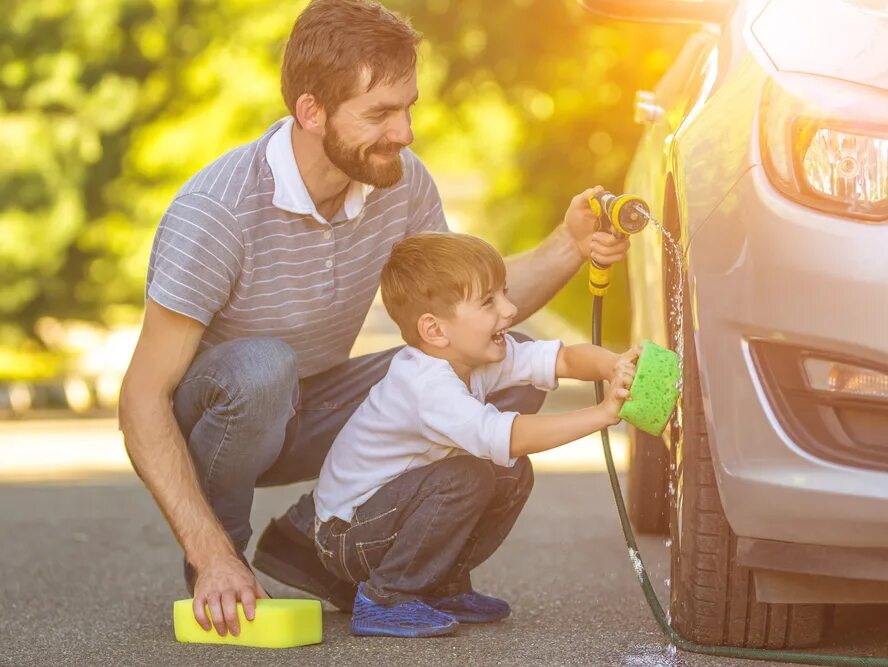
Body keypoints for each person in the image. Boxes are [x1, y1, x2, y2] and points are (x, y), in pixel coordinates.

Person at [118, 0, 629, 638]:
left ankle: (336, 548)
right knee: (261, 368)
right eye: (380, 113)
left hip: (320, 404)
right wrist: (209, 551)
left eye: (407, 106)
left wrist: (570, 243)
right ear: (311, 112)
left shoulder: (400, 183)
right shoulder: (217, 212)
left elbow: (462, 313)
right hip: (227, 419)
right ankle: (223, 565)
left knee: (502, 350)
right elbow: (142, 397)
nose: (406, 132)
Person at [313, 232, 636, 637]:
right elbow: (508, 435)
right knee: (468, 476)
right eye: (489, 302)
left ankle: (439, 585)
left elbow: (562, 358)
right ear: (435, 330)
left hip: (386, 516)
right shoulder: (425, 385)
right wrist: (602, 413)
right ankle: (386, 598)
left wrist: (616, 366)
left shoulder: (472, 356)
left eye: (504, 293)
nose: (511, 309)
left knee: (511, 472)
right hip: (346, 537)